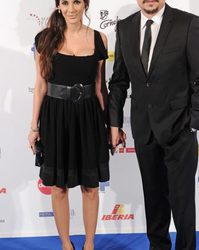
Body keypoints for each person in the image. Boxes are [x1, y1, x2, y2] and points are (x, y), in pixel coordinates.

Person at [109, 0, 199, 249]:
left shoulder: (187, 24)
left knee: (182, 203)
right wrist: (114, 123)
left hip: (180, 130)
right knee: (154, 201)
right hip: (144, 129)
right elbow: (118, 81)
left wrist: (193, 122)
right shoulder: (125, 27)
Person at [27, 0, 109, 249]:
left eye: (77, 2)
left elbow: (99, 87)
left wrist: (108, 126)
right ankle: (66, 245)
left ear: (85, 5)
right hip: (55, 117)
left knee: (91, 187)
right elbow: (41, 85)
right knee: (59, 188)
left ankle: (89, 245)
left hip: (89, 117)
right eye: (65, 2)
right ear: (58, 6)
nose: (71, 8)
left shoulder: (100, 39)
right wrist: (34, 126)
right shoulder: (44, 38)